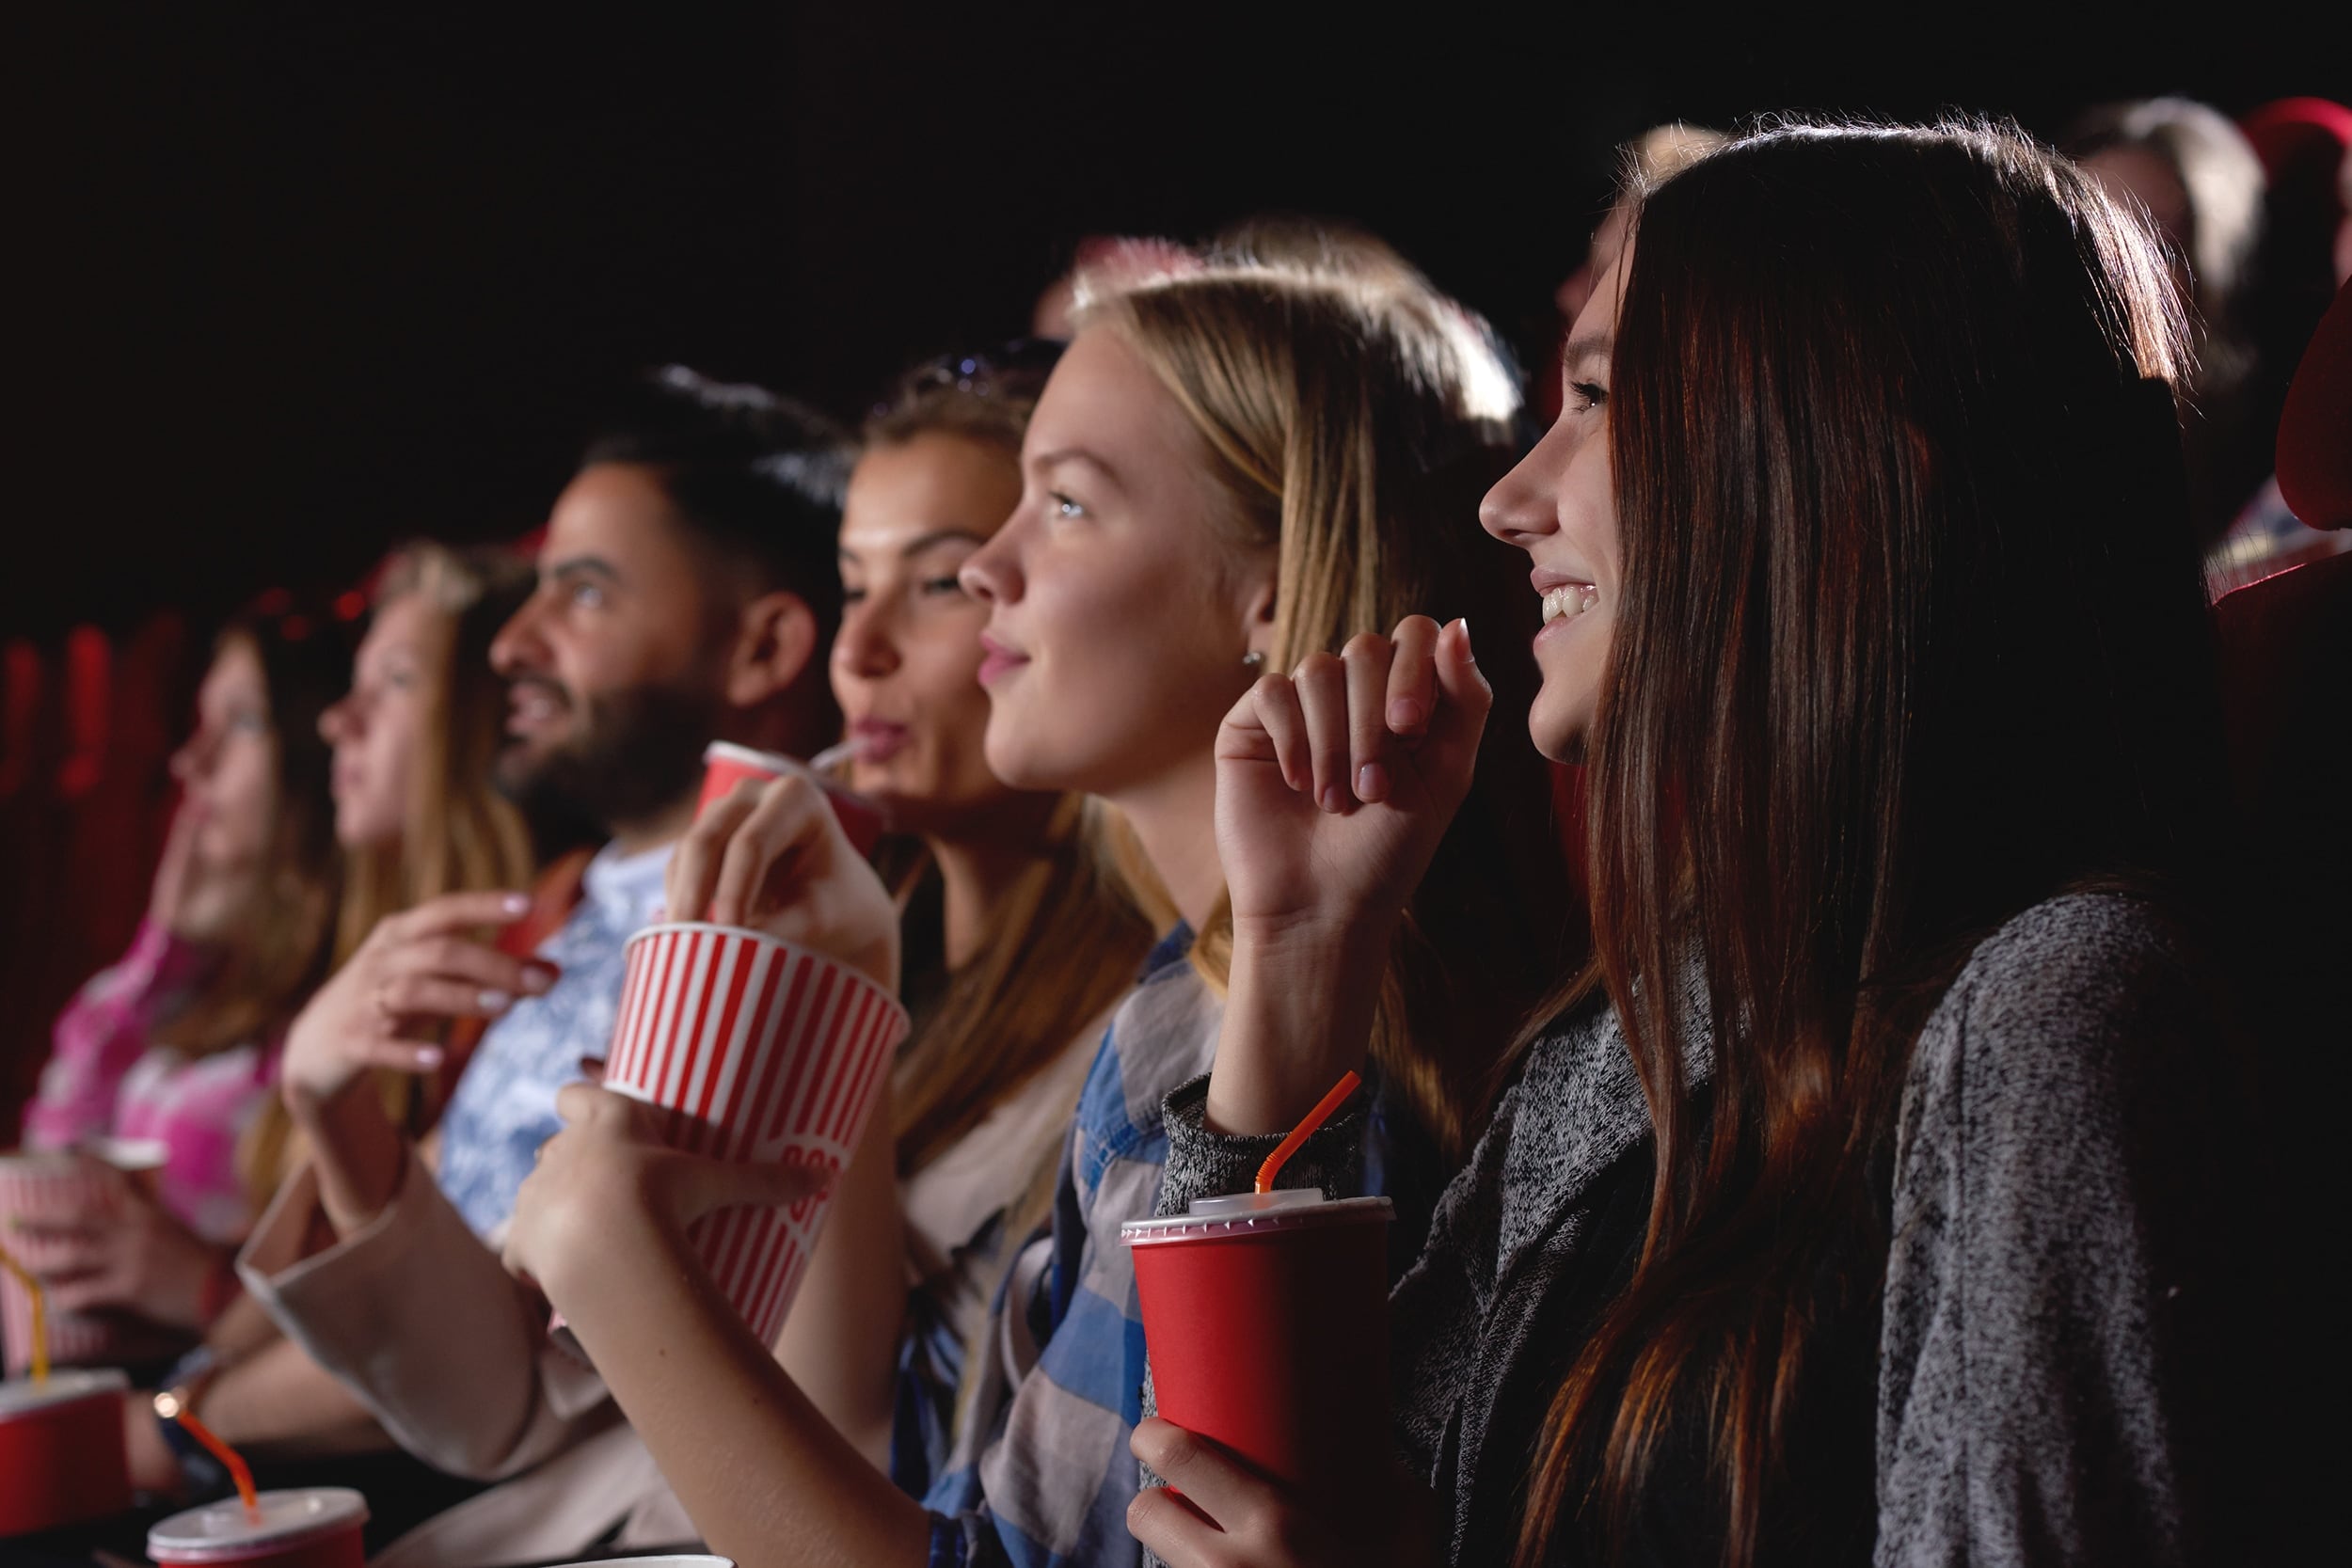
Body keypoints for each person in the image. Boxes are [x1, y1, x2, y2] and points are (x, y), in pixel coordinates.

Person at [1123, 119, 2244, 1567]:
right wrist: (1298, 955)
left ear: (1844, 471)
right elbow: (1199, 1513)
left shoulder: (2058, 1016)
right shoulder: (1640, 1030)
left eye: (1597, 397)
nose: (1510, 499)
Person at [501, 236, 1576, 1568]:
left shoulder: (1243, 1030)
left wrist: (615, 1262)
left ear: (1271, 581)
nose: (988, 572)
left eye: (1064, 504)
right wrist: (844, 987)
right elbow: (892, 1467)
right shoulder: (1196, 982)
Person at [216, 368, 855, 1562]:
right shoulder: (567, 899)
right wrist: (327, 1092)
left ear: (764, 643)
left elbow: (522, 1390)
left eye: (586, 593)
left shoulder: (792, 927)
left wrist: (179, 1425)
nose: (513, 641)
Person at [825, 345, 1157, 1491]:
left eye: (933, 581)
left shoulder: (1138, 1019)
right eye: (849, 583)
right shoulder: (883, 930)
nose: (857, 651)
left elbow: (860, 1441)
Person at [18, 600, 343, 1343]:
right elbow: (53, 1155)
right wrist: (158, 955)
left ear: (320, 745)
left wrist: (207, 1287)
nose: (190, 761)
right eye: (199, 723)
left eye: (242, 722)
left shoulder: (339, 1005)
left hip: (230, 1406)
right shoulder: (213, 985)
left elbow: (376, 1308)